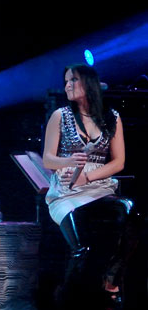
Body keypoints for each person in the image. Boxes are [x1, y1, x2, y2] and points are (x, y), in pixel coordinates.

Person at [43, 63, 139, 309]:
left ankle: (111, 281)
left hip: (98, 188)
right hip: (67, 191)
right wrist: (69, 161)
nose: (67, 85)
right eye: (66, 81)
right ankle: (69, 301)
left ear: (89, 83)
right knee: (83, 247)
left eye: (73, 80)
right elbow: (48, 160)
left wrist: (88, 178)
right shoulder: (60, 116)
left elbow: (118, 162)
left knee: (130, 215)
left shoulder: (111, 117)